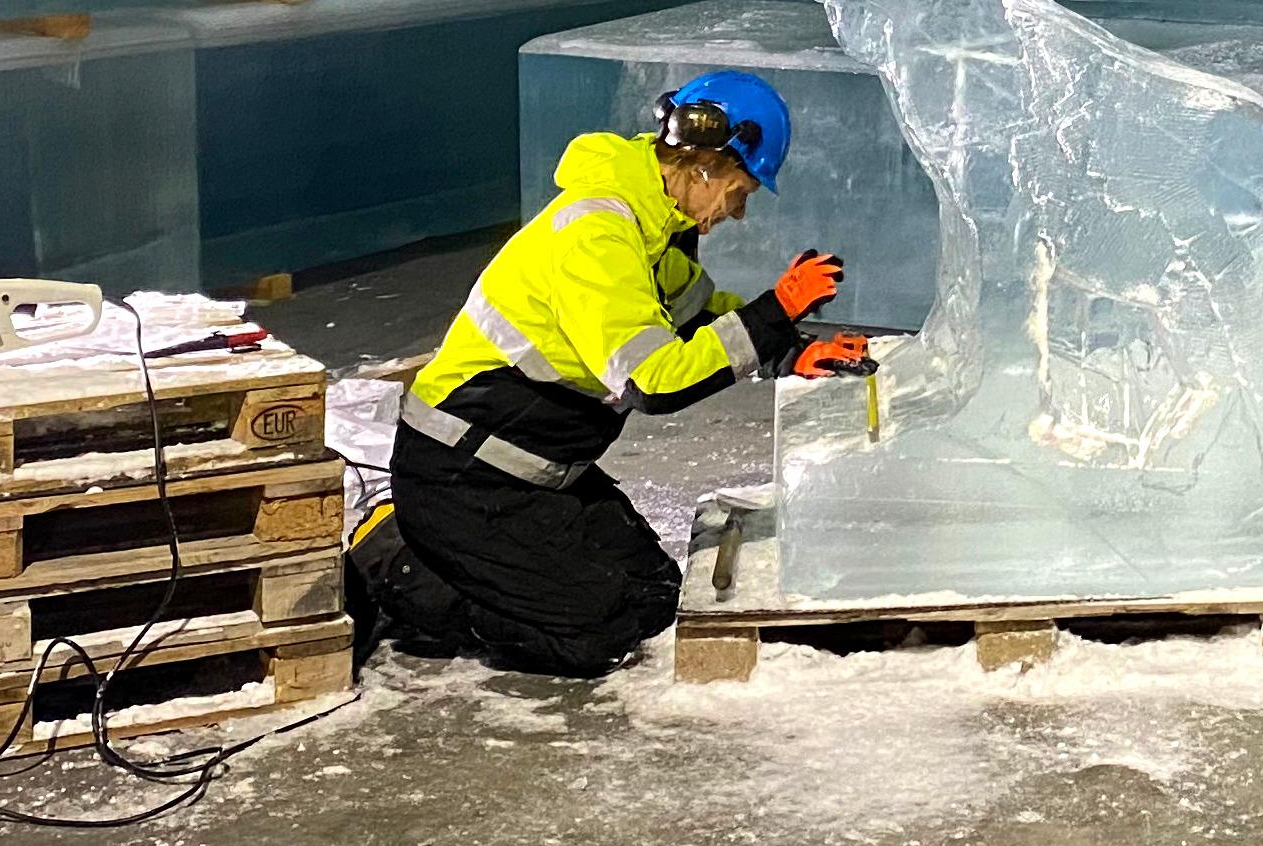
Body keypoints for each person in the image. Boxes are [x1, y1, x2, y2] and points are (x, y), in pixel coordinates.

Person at [346, 71, 876, 677]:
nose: (738, 209)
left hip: (540, 473)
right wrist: (774, 310)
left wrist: (790, 349)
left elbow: (692, 320)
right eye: (741, 189)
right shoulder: (599, 234)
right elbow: (656, 381)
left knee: (651, 597)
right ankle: (398, 565)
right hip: (463, 478)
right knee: (593, 638)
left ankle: (464, 557)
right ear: (705, 165)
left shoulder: (661, 231)